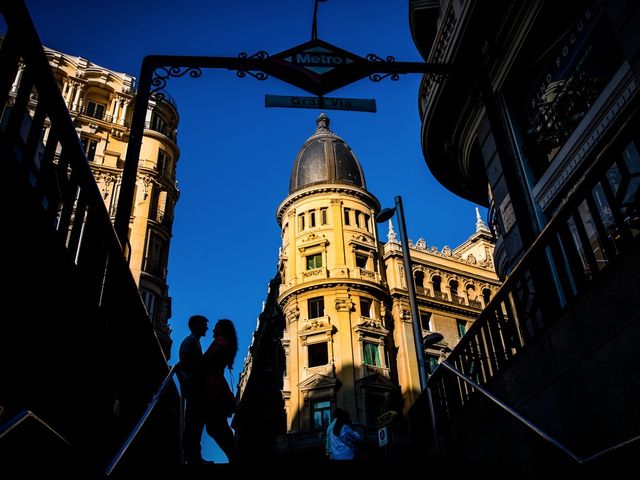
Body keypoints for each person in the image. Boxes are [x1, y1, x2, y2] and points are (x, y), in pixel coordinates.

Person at [201, 318, 239, 463]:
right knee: (217, 424)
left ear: (222, 329)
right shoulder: (226, 342)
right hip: (217, 385)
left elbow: (207, 360)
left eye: (216, 327)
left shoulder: (221, 341)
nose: (213, 330)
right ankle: (234, 454)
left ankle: (234, 454)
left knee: (216, 424)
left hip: (213, 386)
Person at [177, 314, 209, 465]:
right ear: (196, 326)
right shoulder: (190, 342)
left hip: (194, 389)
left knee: (195, 424)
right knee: (194, 424)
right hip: (193, 389)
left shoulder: (193, 342)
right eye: (204, 324)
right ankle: (193, 457)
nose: (206, 328)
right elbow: (190, 365)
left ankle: (194, 455)